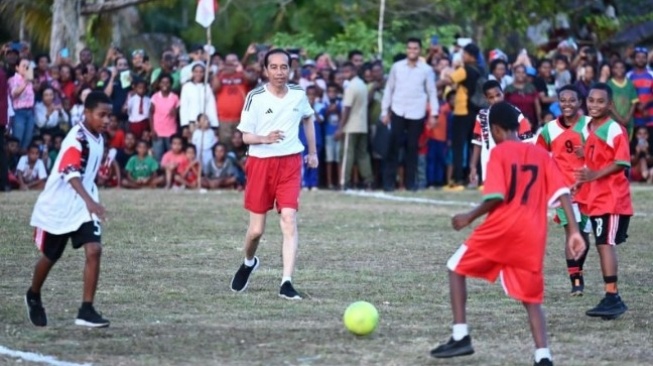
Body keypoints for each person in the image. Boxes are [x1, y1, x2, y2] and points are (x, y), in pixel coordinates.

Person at [430, 101, 586, 366]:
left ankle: (460, 336)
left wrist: (469, 216)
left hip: (502, 228)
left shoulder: (500, 153)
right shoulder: (541, 155)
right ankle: (543, 356)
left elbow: (495, 197)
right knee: (531, 299)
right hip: (532, 234)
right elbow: (562, 193)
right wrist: (573, 230)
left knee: (455, 268)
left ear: (496, 130)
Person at [229, 49, 318, 300]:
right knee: (256, 230)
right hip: (260, 163)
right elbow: (245, 136)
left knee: (289, 219)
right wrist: (264, 138)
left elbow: (308, 119)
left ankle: (286, 282)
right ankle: (248, 262)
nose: (280, 72)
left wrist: (312, 152)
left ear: (290, 69)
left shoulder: (299, 94)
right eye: (274, 67)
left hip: (290, 163)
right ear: (266, 70)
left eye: (284, 67)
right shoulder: (255, 97)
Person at [25, 91, 112, 328]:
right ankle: (33, 294)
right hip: (62, 205)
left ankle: (86, 310)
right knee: (51, 255)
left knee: (94, 249)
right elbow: (70, 173)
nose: (106, 120)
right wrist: (90, 201)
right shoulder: (76, 139)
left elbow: (86, 173)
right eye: (101, 115)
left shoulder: (98, 137)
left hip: (83, 204)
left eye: (109, 116)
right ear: (86, 113)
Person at [575, 83, 632, 319]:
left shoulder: (614, 129)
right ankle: (611, 297)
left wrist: (594, 175)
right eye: (591, 100)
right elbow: (592, 160)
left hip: (612, 198)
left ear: (610, 105)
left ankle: (612, 297)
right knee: (601, 243)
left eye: (600, 101)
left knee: (604, 244)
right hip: (596, 198)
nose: (594, 105)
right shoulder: (587, 128)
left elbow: (622, 162)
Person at [536, 85, 592, 295]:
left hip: (589, 189)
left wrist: (587, 150)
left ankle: (578, 270)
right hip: (563, 191)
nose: (567, 104)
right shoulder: (549, 129)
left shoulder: (589, 125)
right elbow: (539, 156)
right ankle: (576, 280)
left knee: (584, 237)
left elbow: (606, 152)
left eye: (571, 100)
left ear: (580, 102)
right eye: (563, 100)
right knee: (572, 232)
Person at [381, 38, 439, 191]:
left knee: (412, 148)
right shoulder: (397, 67)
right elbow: (389, 89)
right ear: (406, 50)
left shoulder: (426, 70)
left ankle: (410, 183)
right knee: (393, 147)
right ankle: (389, 183)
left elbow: (432, 91)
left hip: (417, 112)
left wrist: (434, 113)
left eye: (415, 48)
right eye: (410, 48)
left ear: (420, 50)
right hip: (398, 110)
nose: (412, 51)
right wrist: (384, 111)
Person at [469, 80, 534, 187]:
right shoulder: (482, 116)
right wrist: (473, 167)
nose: (496, 99)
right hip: (488, 165)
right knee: (493, 197)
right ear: (486, 99)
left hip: (512, 164)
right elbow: (477, 142)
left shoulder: (516, 113)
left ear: (503, 93)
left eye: (498, 95)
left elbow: (527, 142)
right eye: (491, 97)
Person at [335, 62, 372, 190]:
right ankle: (368, 180)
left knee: (347, 154)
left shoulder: (351, 87)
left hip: (351, 126)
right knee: (363, 154)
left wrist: (340, 128)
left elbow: (347, 108)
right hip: (362, 125)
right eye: (344, 71)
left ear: (353, 71)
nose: (345, 74)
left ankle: (344, 181)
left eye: (347, 71)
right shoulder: (362, 85)